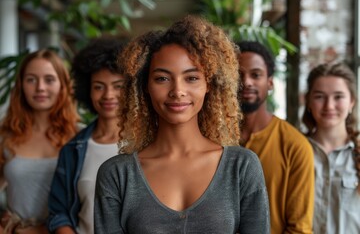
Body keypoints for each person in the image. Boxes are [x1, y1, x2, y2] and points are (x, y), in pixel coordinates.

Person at [94, 15, 270, 234]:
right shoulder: (117, 175)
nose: (177, 91)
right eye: (162, 78)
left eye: (191, 78)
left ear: (209, 84)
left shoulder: (242, 167)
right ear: (145, 86)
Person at [47, 37, 126, 234]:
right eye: (99, 86)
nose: (108, 95)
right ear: (87, 91)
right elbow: (58, 213)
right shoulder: (73, 149)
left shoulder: (151, 143)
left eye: (118, 86)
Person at [236, 41, 314, 233]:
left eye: (256, 75)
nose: (246, 82)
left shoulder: (295, 146)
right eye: (238, 75)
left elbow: (299, 228)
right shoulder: (210, 138)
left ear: (270, 82)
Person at [0, 49, 79, 233]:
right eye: (31, 79)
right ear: (21, 85)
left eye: (49, 79)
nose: (40, 87)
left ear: (63, 84)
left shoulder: (80, 137)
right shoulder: (6, 136)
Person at [302, 62, 360, 234]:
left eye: (338, 96)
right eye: (319, 96)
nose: (329, 106)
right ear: (308, 102)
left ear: (351, 102)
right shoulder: (293, 151)